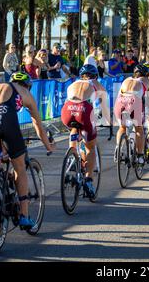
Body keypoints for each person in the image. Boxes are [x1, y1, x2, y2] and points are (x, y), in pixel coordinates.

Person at [0, 72, 55, 229]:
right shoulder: (25, 93)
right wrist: (49, 146)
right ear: (27, 85)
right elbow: (38, 126)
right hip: (5, 120)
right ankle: (25, 216)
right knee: (20, 168)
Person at [61, 64, 110, 197]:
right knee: (90, 147)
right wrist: (109, 124)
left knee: (74, 127)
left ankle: (73, 157)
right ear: (95, 76)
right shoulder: (96, 84)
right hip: (84, 111)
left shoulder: (73, 83)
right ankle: (88, 180)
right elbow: (104, 107)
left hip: (67, 111)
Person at [113, 65, 149, 165]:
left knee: (122, 127)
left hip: (120, 101)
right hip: (133, 102)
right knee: (139, 129)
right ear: (146, 75)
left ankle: (118, 148)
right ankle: (140, 155)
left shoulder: (127, 79)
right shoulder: (146, 81)